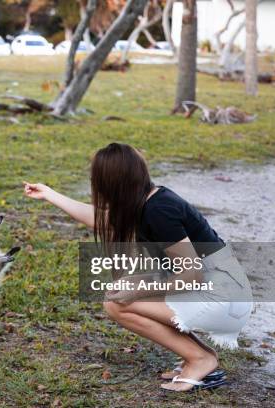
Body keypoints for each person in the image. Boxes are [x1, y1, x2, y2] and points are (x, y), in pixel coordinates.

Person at [23, 143, 252, 392]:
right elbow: (102, 219)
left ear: (111, 183)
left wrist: (140, 291)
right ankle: (198, 355)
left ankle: (201, 360)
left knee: (118, 302)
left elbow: (192, 274)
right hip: (222, 292)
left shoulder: (159, 211)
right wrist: (49, 194)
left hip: (224, 298)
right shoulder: (147, 201)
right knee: (120, 291)